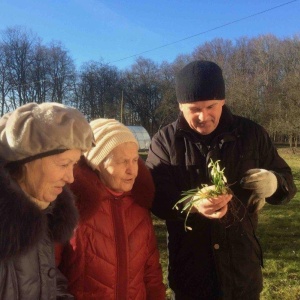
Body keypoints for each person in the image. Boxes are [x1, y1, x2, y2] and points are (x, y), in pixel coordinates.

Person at [146, 60, 297, 300]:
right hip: (191, 275)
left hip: (242, 273)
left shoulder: (251, 134)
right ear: (180, 106)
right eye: (194, 108)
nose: (203, 116)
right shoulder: (165, 141)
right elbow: (154, 196)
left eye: (211, 106)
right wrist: (193, 204)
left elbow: (289, 184)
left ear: (223, 101)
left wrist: (275, 184)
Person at [57, 118, 166, 300]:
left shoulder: (139, 205)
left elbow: (151, 271)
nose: (133, 170)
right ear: (98, 163)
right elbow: (48, 272)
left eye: (135, 160)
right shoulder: (73, 206)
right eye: (123, 162)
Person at [0, 102, 94, 300]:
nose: (71, 178)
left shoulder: (41, 210)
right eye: (63, 164)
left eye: (74, 165)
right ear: (28, 161)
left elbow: (45, 280)